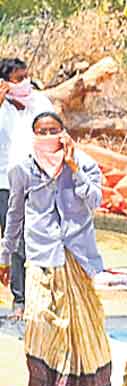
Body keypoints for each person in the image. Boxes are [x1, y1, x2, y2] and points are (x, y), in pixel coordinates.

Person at [0, 112, 110, 386]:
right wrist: (5, 256)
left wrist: (74, 168)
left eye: (53, 130)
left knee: (81, 329)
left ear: (64, 133)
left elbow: (95, 201)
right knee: (37, 324)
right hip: (40, 257)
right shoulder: (23, 169)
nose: (48, 136)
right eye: (41, 131)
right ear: (33, 135)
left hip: (76, 256)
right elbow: (15, 215)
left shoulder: (84, 164)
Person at [0, 57, 54, 320]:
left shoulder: (40, 103)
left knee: (27, 241)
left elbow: (55, 134)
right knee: (10, 243)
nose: (25, 83)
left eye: (26, 77)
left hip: (34, 181)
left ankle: (25, 300)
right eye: (18, 79)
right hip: (2, 183)